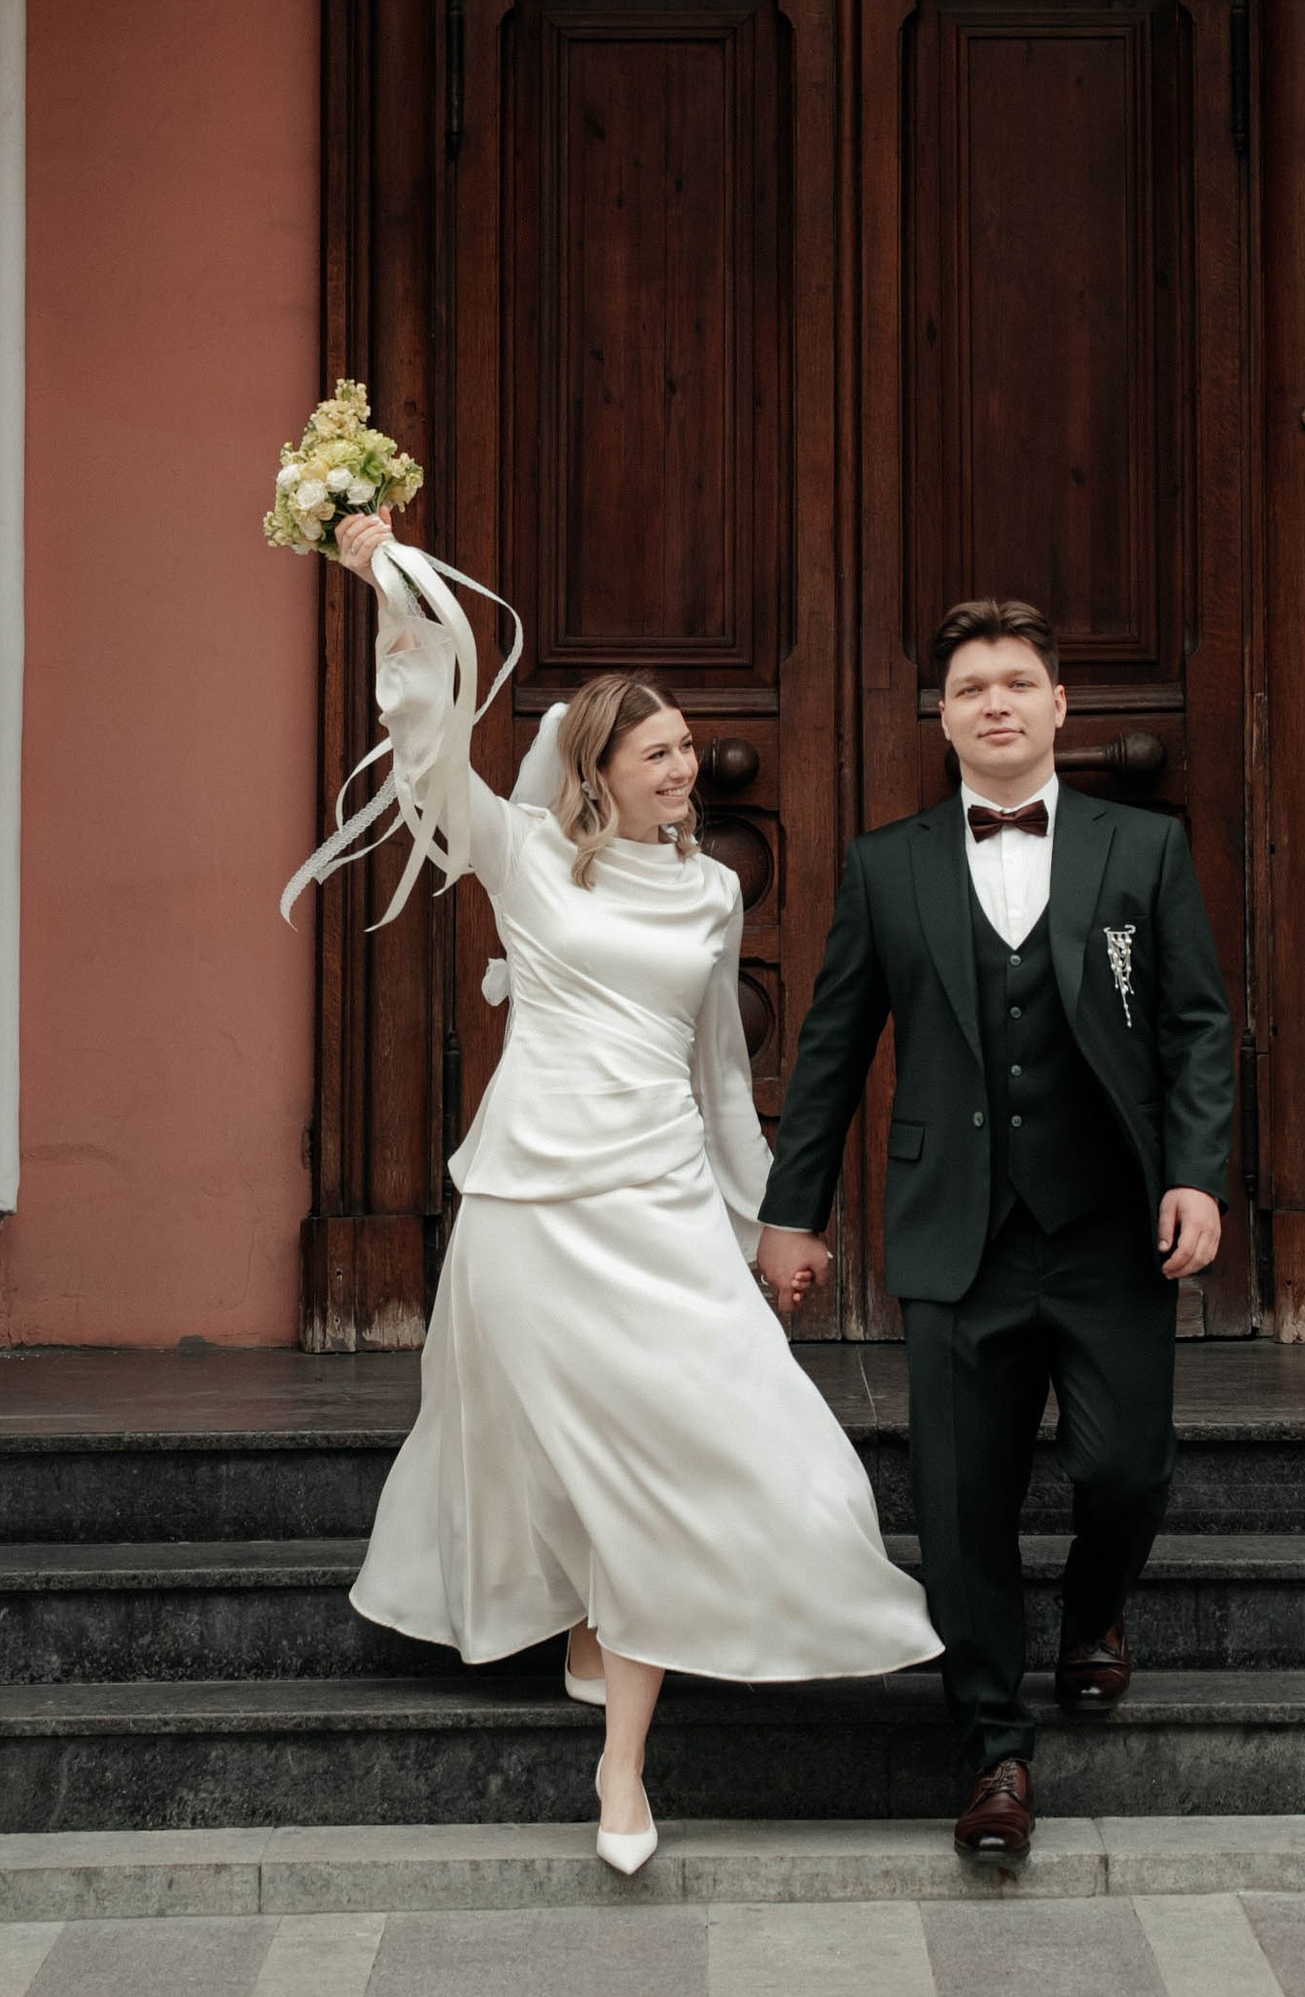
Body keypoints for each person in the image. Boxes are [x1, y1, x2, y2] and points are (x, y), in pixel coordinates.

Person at [324, 509, 938, 1875]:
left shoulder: (715, 892)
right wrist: (398, 590)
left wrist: (769, 1219)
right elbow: (430, 754)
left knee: (714, 1424)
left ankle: (640, 1671)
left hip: (662, 1202)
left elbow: (722, 1069)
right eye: (659, 752)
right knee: (586, 1441)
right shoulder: (522, 855)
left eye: (687, 753)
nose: (688, 767)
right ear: (597, 768)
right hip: (536, 1205)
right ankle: (619, 1748)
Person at [755, 598, 1236, 1865]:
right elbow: (830, 1054)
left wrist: (1196, 1176)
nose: (997, 704)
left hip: (1107, 1224)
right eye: (971, 688)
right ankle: (994, 1756)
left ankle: (1091, 1611)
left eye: (1019, 681)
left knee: (1125, 1466)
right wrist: (791, 1215)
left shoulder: (1144, 850)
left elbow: (1194, 1024)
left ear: (1061, 705)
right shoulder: (887, 864)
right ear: (946, 717)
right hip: (951, 1233)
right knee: (961, 1509)